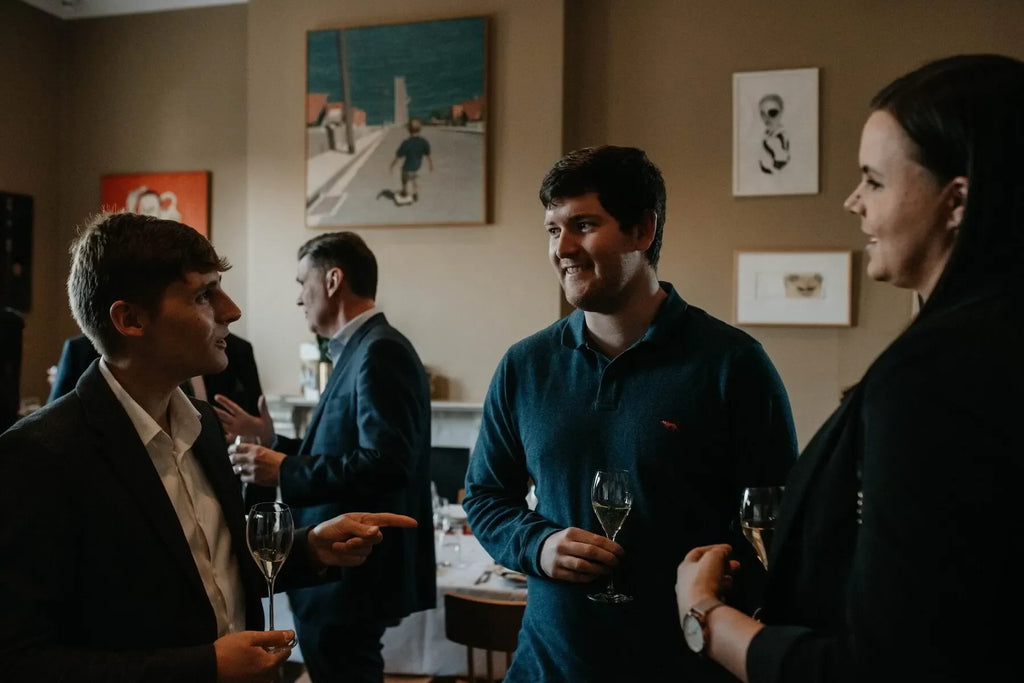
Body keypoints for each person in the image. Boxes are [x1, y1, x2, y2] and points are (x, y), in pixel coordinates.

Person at [675, 54, 1024, 683]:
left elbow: (882, 665)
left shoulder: (937, 377)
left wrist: (705, 617)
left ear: (958, 202)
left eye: (875, 180)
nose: (852, 201)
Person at [0, 212, 417, 683]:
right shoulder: (37, 457)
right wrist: (206, 667)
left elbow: (207, 558)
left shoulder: (201, 424)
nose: (232, 310)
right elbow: (20, 662)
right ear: (130, 319)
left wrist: (311, 549)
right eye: (203, 294)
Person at [462, 145, 798, 682]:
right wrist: (538, 544)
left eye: (584, 225)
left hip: (684, 668)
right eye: (553, 229)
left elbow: (779, 520)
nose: (563, 248)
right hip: (548, 666)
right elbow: (484, 495)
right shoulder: (525, 365)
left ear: (643, 230)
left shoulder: (732, 365)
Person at [222, 231, 435, 683]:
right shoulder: (360, 350)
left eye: (303, 283)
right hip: (338, 579)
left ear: (333, 280)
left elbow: (386, 462)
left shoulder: (380, 351)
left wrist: (283, 468)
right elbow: (344, 452)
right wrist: (274, 442)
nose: (299, 299)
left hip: (349, 578)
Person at [389, 117, 433, 202]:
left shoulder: (406, 143)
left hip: (408, 167)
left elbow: (398, 157)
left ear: (408, 129)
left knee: (404, 175)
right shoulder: (424, 142)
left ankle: (406, 191)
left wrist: (392, 166)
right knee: (412, 175)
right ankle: (414, 188)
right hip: (417, 165)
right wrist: (431, 165)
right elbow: (428, 155)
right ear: (420, 129)